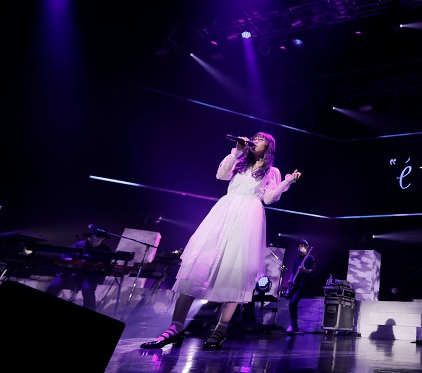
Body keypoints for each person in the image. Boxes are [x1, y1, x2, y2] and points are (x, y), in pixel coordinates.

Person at [141, 132, 301, 351]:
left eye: (260, 139)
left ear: (269, 147)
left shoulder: (272, 171)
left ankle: (221, 329)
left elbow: (268, 198)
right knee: (197, 265)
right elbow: (221, 175)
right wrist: (236, 152)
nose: (255, 140)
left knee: (235, 271)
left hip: (248, 217)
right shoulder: (239, 161)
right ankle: (175, 328)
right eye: (254, 137)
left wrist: (287, 182)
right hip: (224, 212)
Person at [44, 228, 113, 311]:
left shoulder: (106, 250)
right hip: (72, 272)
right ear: (89, 237)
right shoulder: (79, 244)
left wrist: (100, 266)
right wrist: (67, 259)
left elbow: (106, 265)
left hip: (90, 275)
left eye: (98, 239)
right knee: (53, 287)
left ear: (103, 239)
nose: (94, 241)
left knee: (88, 291)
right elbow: (65, 255)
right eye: (93, 238)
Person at [285, 239, 315, 335]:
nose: (300, 247)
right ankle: (293, 326)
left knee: (293, 303)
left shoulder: (309, 258)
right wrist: (290, 280)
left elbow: (312, 271)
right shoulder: (297, 259)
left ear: (306, 247)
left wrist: (304, 270)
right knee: (291, 305)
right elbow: (293, 272)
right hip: (295, 284)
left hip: (302, 285)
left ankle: (294, 327)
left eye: (302, 245)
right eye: (299, 245)